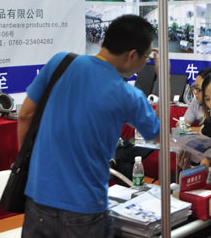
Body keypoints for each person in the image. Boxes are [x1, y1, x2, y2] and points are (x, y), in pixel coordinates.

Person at [18, 14, 161, 238]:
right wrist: (162, 79)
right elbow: (157, 134)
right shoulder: (128, 95)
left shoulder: (60, 63)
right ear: (132, 55)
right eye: (146, 57)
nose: (145, 63)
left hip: (38, 198)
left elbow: (25, 115)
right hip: (84, 207)